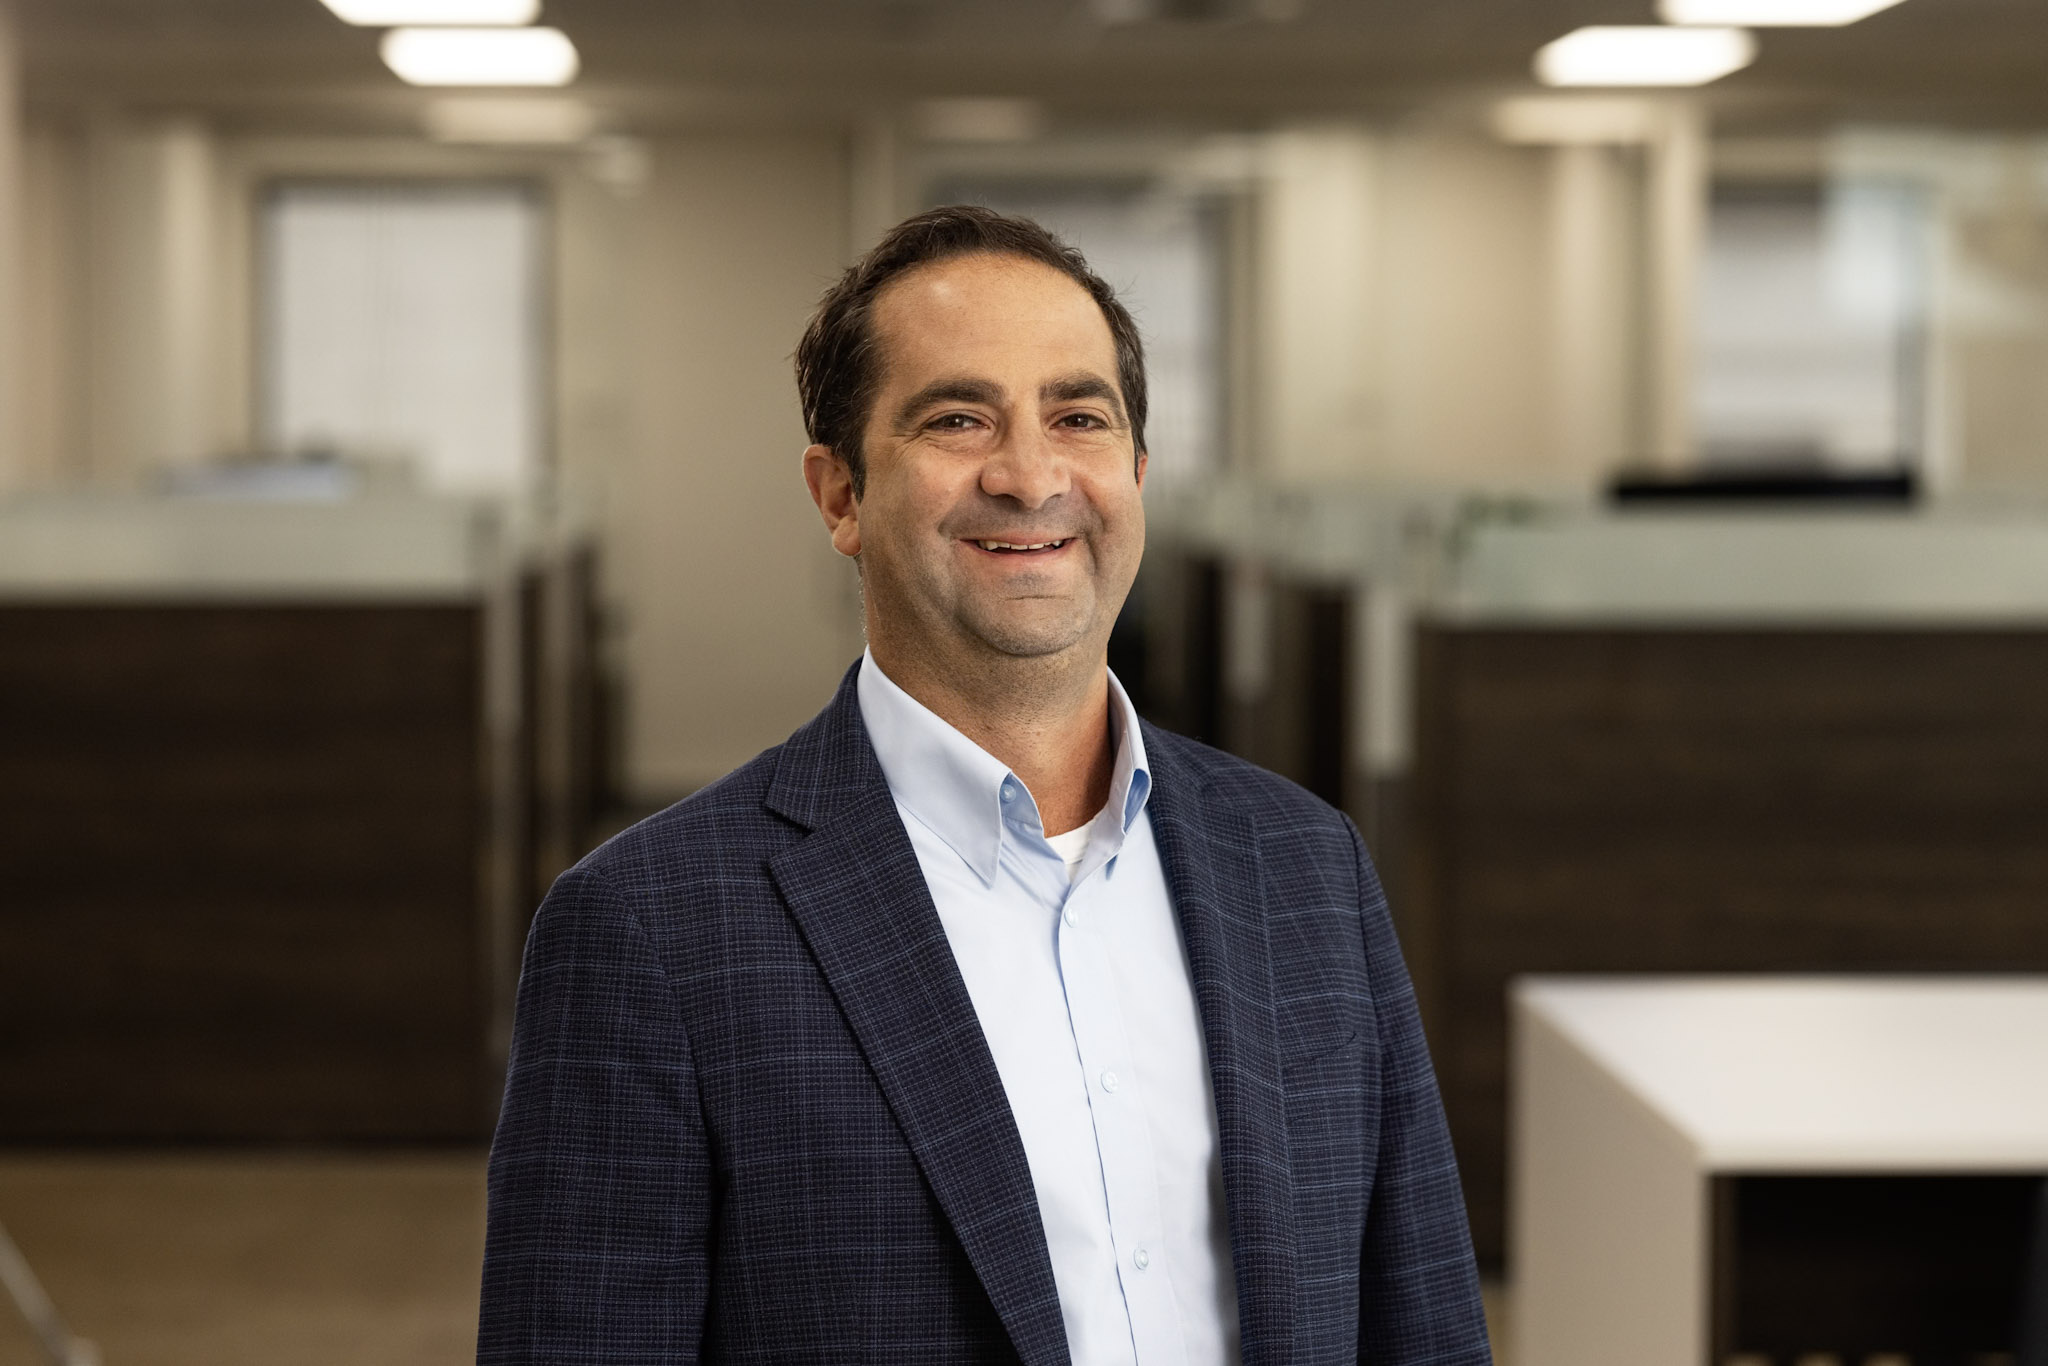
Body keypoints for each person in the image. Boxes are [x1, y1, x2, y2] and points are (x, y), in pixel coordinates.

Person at [477, 205, 1491, 1366]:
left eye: (1079, 417)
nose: (1029, 474)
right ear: (840, 495)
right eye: (957, 418)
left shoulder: (1304, 863)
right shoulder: (648, 929)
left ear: (1136, 474)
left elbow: (1420, 1325)